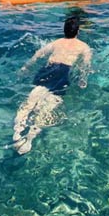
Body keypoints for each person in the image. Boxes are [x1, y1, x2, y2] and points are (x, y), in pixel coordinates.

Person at [13, 17, 92, 155]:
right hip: (62, 73)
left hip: (48, 69)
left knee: (30, 101)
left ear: (64, 30)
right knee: (48, 106)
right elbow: (85, 65)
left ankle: (17, 132)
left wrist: (26, 67)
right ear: (78, 31)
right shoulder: (84, 47)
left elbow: (38, 54)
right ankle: (30, 136)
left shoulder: (57, 42)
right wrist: (83, 79)